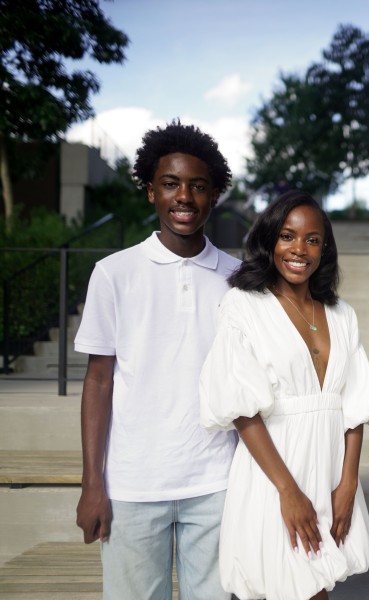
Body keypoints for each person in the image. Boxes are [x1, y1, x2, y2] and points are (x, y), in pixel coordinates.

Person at [74, 120, 239, 599]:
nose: (183, 197)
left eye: (198, 186)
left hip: (217, 483)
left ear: (213, 196)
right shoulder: (113, 273)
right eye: (170, 184)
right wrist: (92, 484)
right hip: (132, 484)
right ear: (151, 191)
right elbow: (99, 381)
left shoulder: (238, 278)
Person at [199, 190, 369, 600]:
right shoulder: (244, 305)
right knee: (286, 584)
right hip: (275, 472)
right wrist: (288, 490)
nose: (299, 249)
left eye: (312, 239)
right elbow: (242, 411)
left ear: (324, 248)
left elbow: (354, 407)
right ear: (269, 241)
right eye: (287, 236)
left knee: (318, 586)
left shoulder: (342, 314)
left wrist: (348, 482)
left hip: (330, 469)